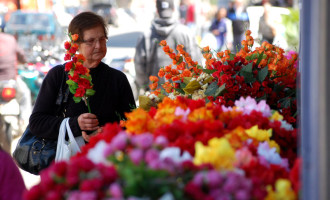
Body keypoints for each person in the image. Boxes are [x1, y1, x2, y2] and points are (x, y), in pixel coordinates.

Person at [29, 12, 136, 143]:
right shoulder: (59, 76)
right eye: (91, 41)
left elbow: (132, 123)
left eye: (102, 39)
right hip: (68, 158)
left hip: (109, 156)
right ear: (76, 45)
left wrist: (107, 133)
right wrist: (74, 124)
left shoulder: (117, 79)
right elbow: (36, 123)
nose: (98, 46)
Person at [134, 0, 201, 92]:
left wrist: (144, 85)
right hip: (182, 91)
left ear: (157, 10)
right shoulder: (186, 33)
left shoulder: (146, 35)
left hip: (156, 92)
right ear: (173, 9)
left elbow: (139, 65)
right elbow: (196, 61)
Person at [0, 32, 32, 152]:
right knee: (25, 95)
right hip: (10, 82)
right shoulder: (10, 39)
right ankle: (25, 122)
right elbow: (22, 57)